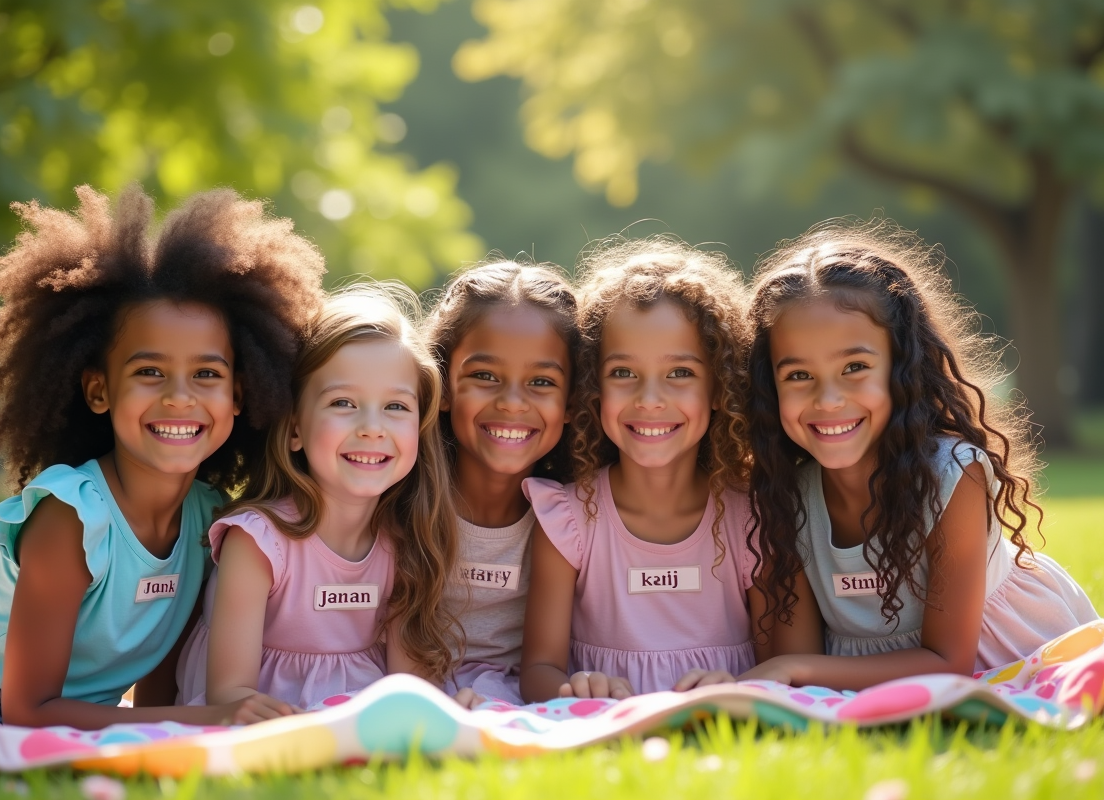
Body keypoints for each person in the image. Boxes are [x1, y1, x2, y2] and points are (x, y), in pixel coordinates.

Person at [0, 185, 325, 727]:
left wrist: (185, 722)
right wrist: (208, 718)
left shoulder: (210, 519)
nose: (180, 397)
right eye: (149, 371)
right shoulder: (72, 519)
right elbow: (29, 712)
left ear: (239, 396)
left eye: (207, 373)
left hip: (49, 704)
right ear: (99, 390)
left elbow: (159, 705)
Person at [741, 219, 1098, 690]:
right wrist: (790, 670)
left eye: (855, 367)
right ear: (769, 387)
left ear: (904, 368)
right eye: (799, 376)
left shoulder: (952, 474)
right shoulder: (785, 497)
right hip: (867, 679)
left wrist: (793, 670)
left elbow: (948, 663)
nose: (827, 400)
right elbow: (797, 667)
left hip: (1006, 659)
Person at [176, 286, 462, 716]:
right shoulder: (257, 542)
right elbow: (230, 697)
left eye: (395, 406)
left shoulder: (404, 541)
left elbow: (410, 690)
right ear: (295, 428)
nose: (372, 427)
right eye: (343, 403)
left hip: (359, 723)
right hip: (270, 723)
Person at [520, 236, 766, 702]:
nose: (650, 399)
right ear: (593, 386)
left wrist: (742, 688)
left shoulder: (753, 518)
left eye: (680, 373)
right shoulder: (567, 519)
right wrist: (578, 689)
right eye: (623, 373)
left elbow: (789, 667)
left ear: (719, 387)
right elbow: (537, 673)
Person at [426, 260, 577, 705]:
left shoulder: (575, 517)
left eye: (541, 382)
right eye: (485, 376)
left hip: (525, 701)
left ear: (572, 401)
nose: (512, 403)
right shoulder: (401, 498)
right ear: (443, 385)